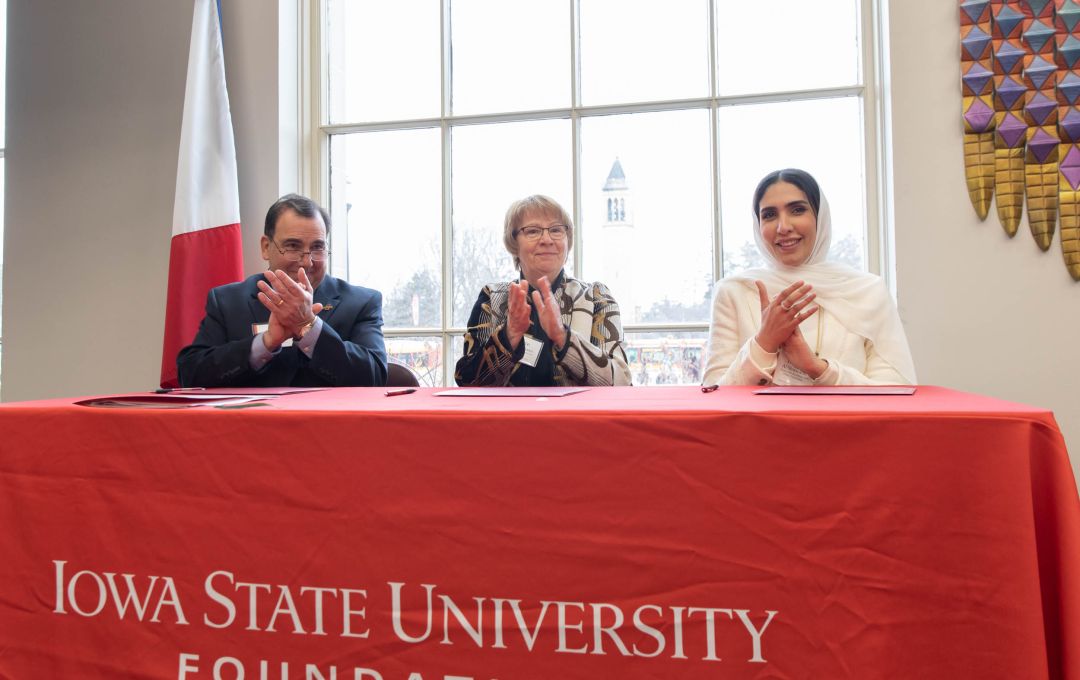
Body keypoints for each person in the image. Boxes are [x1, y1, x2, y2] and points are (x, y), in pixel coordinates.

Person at [702, 169, 916, 386]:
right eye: (769, 215)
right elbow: (713, 394)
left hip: (844, 421)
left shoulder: (867, 290)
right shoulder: (735, 291)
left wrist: (819, 368)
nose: (783, 227)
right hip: (760, 422)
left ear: (819, 217)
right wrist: (764, 343)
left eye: (797, 210)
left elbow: (896, 389)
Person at [177, 194, 387, 387]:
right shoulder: (228, 301)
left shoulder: (362, 302)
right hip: (250, 425)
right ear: (266, 247)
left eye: (317, 247)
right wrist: (265, 343)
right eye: (293, 246)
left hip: (329, 425)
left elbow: (375, 378)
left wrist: (309, 327)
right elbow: (190, 374)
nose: (307, 261)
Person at [455, 195, 632, 387]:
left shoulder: (597, 298)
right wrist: (509, 335)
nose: (546, 239)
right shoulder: (492, 299)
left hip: (580, 417)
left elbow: (621, 384)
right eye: (532, 231)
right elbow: (467, 382)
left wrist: (564, 338)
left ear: (567, 241)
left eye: (556, 230)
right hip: (508, 417)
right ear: (513, 243)